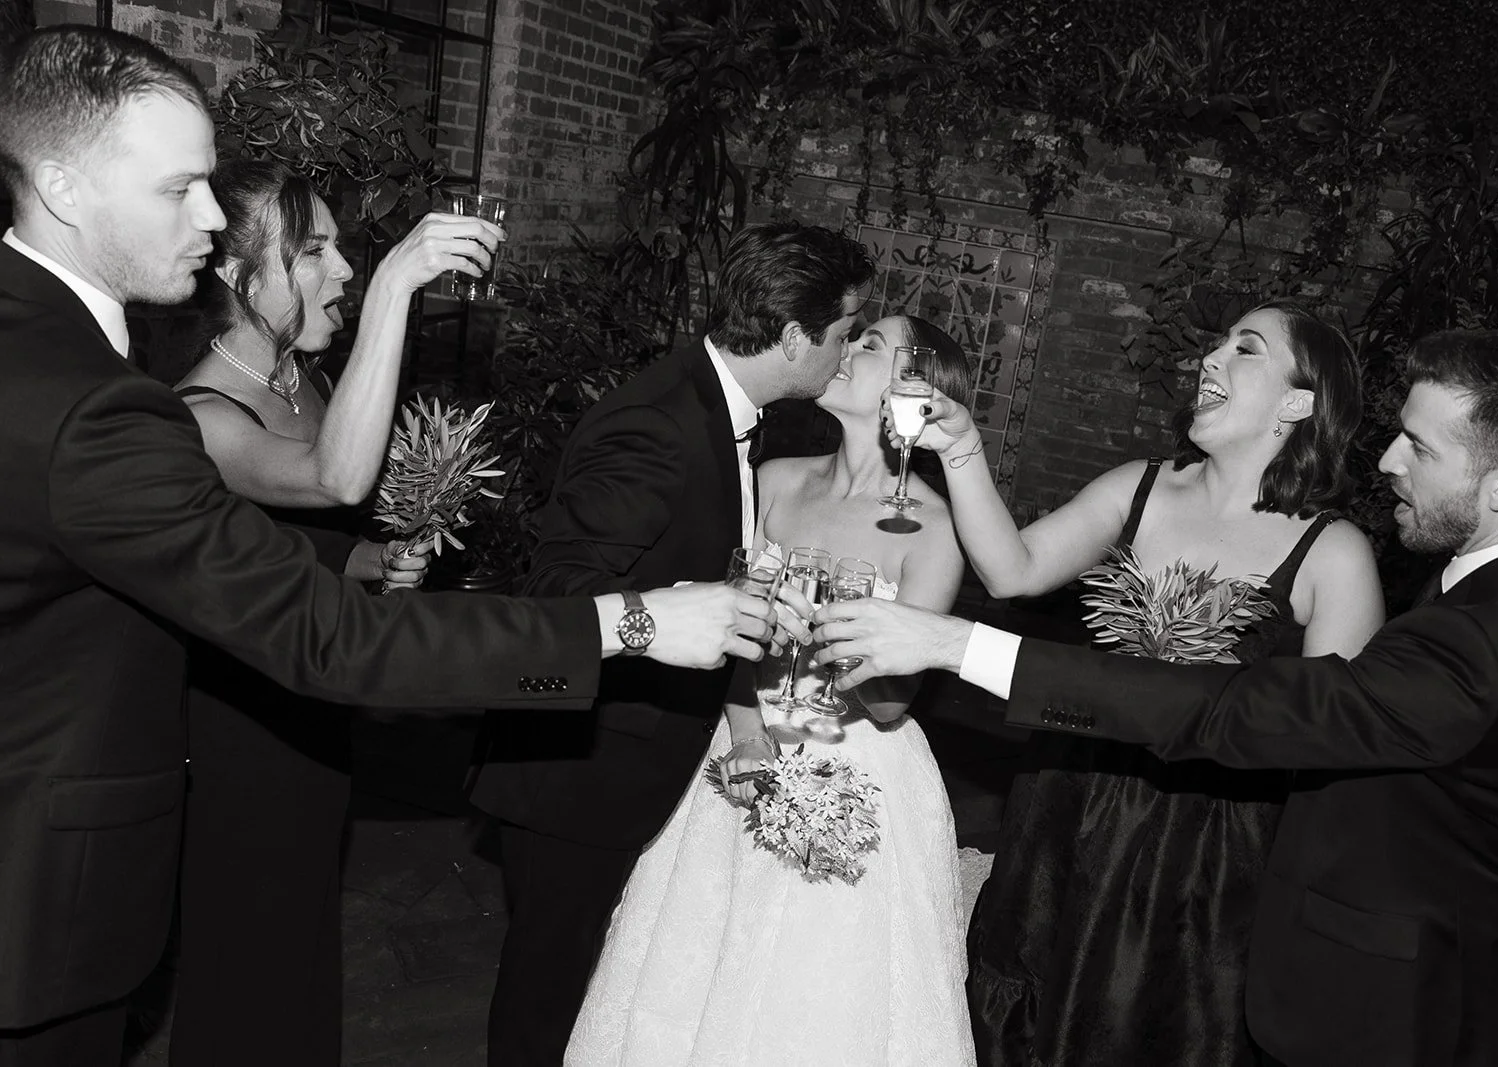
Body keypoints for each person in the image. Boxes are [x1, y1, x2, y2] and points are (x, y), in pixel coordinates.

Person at [0, 26, 768, 1066]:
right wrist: (628, 622)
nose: (214, 217)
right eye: (179, 189)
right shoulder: (95, 405)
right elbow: (331, 641)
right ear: (61, 183)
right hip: (37, 893)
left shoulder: (43, 339)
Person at [812, 328, 1498, 1067]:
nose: (1389, 459)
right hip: (1073, 808)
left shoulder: (1457, 627)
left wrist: (956, 644)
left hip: (1245, 874)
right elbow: (1016, 568)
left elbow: (1284, 721)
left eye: (1419, 447)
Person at [895, 301, 1385, 1066]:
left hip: (1204, 854)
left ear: (1298, 401)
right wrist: (961, 451)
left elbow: (1331, 747)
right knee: (1022, 1007)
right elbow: (1011, 569)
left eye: (1245, 349)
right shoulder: (1140, 486)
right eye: (1218, 340)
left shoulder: (1334, 553)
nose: (1211, 357)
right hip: (1065, 805)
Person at [468, 219, 875, 1066]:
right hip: (576, 772)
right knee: (543, 1002)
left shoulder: (720, 409)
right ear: (795, 337)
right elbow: (555, 600)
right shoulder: (658, 423)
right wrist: (675, 609)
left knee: (577, 992)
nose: (847, 352)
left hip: (622, 765)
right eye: (843, 333)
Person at [566, 314, 979, 1066]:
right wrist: (749, 732)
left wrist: (826, 622)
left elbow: (890, 704)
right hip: (740, 736)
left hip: (855, 765)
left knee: (809, 992)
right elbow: (725, 630)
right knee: (689, 962)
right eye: (854, 336)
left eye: (873, 345)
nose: (847, 348)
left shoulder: (937, 528)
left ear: (916, 391)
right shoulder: (776, 478)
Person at [167, 158, 497, 1066]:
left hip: (308, 706)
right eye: (314, 251)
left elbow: (277, 541)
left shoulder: (295, 380)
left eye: (349, 253)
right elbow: (334, 477)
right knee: (246, 967)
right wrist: (399, 282)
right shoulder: (200, 411)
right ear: (239, 280)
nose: (345, 267)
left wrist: (369, 558)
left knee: (302, 953)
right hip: (237, 729)